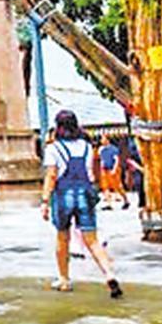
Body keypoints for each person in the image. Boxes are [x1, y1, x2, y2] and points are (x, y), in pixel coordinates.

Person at [41, 110, 122, 297]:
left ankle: (64, 279)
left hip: (63, 194)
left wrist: (45, 200)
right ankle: (109, 274)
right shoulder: (86, 147)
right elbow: (90, 172)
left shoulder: (53, 149)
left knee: (63, 237)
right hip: (84, 192)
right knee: (92, 240)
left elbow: (51, 175)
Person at [97, 135, 128, 210]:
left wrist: (114, 169)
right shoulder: (101, 149)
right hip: (105, 169)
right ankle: (109, 204)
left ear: (108, 140)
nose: (102, 141)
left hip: (113, 168)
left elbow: (116, 160)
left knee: (117, 186)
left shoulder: (113, 149)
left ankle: (126, 200)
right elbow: (102, 159)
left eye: (103, 139)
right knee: (105, 186)